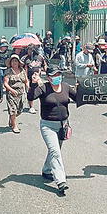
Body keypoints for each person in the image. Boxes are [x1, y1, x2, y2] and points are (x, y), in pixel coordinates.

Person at [27, 66, 76, 195]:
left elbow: (78, 98)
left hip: (63, 125)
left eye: (59, 74)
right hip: (48, 125)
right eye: (54, 75)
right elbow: (30, 97)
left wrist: (83, 88)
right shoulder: (43, 88)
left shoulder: (65, 87)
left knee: (55, 150)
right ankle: (60, 181)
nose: (57, 77)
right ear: (48, 77)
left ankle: (47, 170)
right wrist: (33, 84)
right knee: (55, 151)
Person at [4, 54, 28, 134]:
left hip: (21, 94)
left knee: (19, 110)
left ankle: (11, 119)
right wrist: (11, 90)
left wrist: (28, 87)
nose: (14, 63)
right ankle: (15, 126)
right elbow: (5, 83)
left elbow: (26, 81)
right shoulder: (8, 71)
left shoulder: (22, 71)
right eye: (13, 61)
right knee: (13, 110)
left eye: (16, 61)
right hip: (11, 94)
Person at [23, 45, 47, 114]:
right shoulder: (26, 58)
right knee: (30, 92)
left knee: (40, 91)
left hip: (38, 78)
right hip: (29, 78)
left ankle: (44, 105)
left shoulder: (40, 57)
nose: (29, 51)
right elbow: (25, 68)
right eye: (28, 50)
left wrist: (45, 71)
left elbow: (44, 64)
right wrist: (26, 79)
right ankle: (31, 107)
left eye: (31, 50)